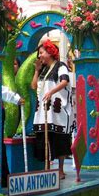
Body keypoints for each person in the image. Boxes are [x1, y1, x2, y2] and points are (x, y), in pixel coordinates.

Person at [31, 40, 73, 180]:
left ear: (50, 52)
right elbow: (34, 86)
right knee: (45, 139)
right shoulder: (42, 70)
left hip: (58, 111)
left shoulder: (61, 66)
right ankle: (47, 169)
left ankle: (60, 170)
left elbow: (64, 81)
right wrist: (36, 71)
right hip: (43, 112)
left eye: (41, 53)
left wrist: (51, 92)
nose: (40, 56)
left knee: (60, 140)